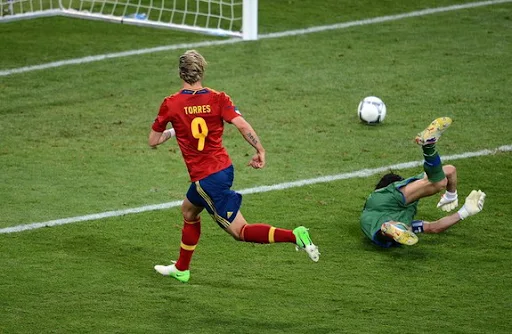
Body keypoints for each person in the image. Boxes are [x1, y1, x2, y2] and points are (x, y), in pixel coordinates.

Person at [148, 50, 319, 283]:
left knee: (240, 231)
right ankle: (181, 268)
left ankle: (295, 236)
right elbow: (241, 124)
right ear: (202, 72)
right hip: (224, 170)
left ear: (180, 73)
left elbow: (153, 141)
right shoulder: (219, 98)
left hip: (206, 179)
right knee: (189, 210)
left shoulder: (171, 103)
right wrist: (260, 150)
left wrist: (174, 130)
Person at [360, 117, 486, 248]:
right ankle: (428, 147)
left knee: (439, 183)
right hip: (388, 207)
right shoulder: (405, 206)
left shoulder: (379, 208)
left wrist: (459, 203)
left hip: (381, 214)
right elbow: (433, 227)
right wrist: (456, 201)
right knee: (438, 184)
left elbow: (434, 227)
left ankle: (391, 228)